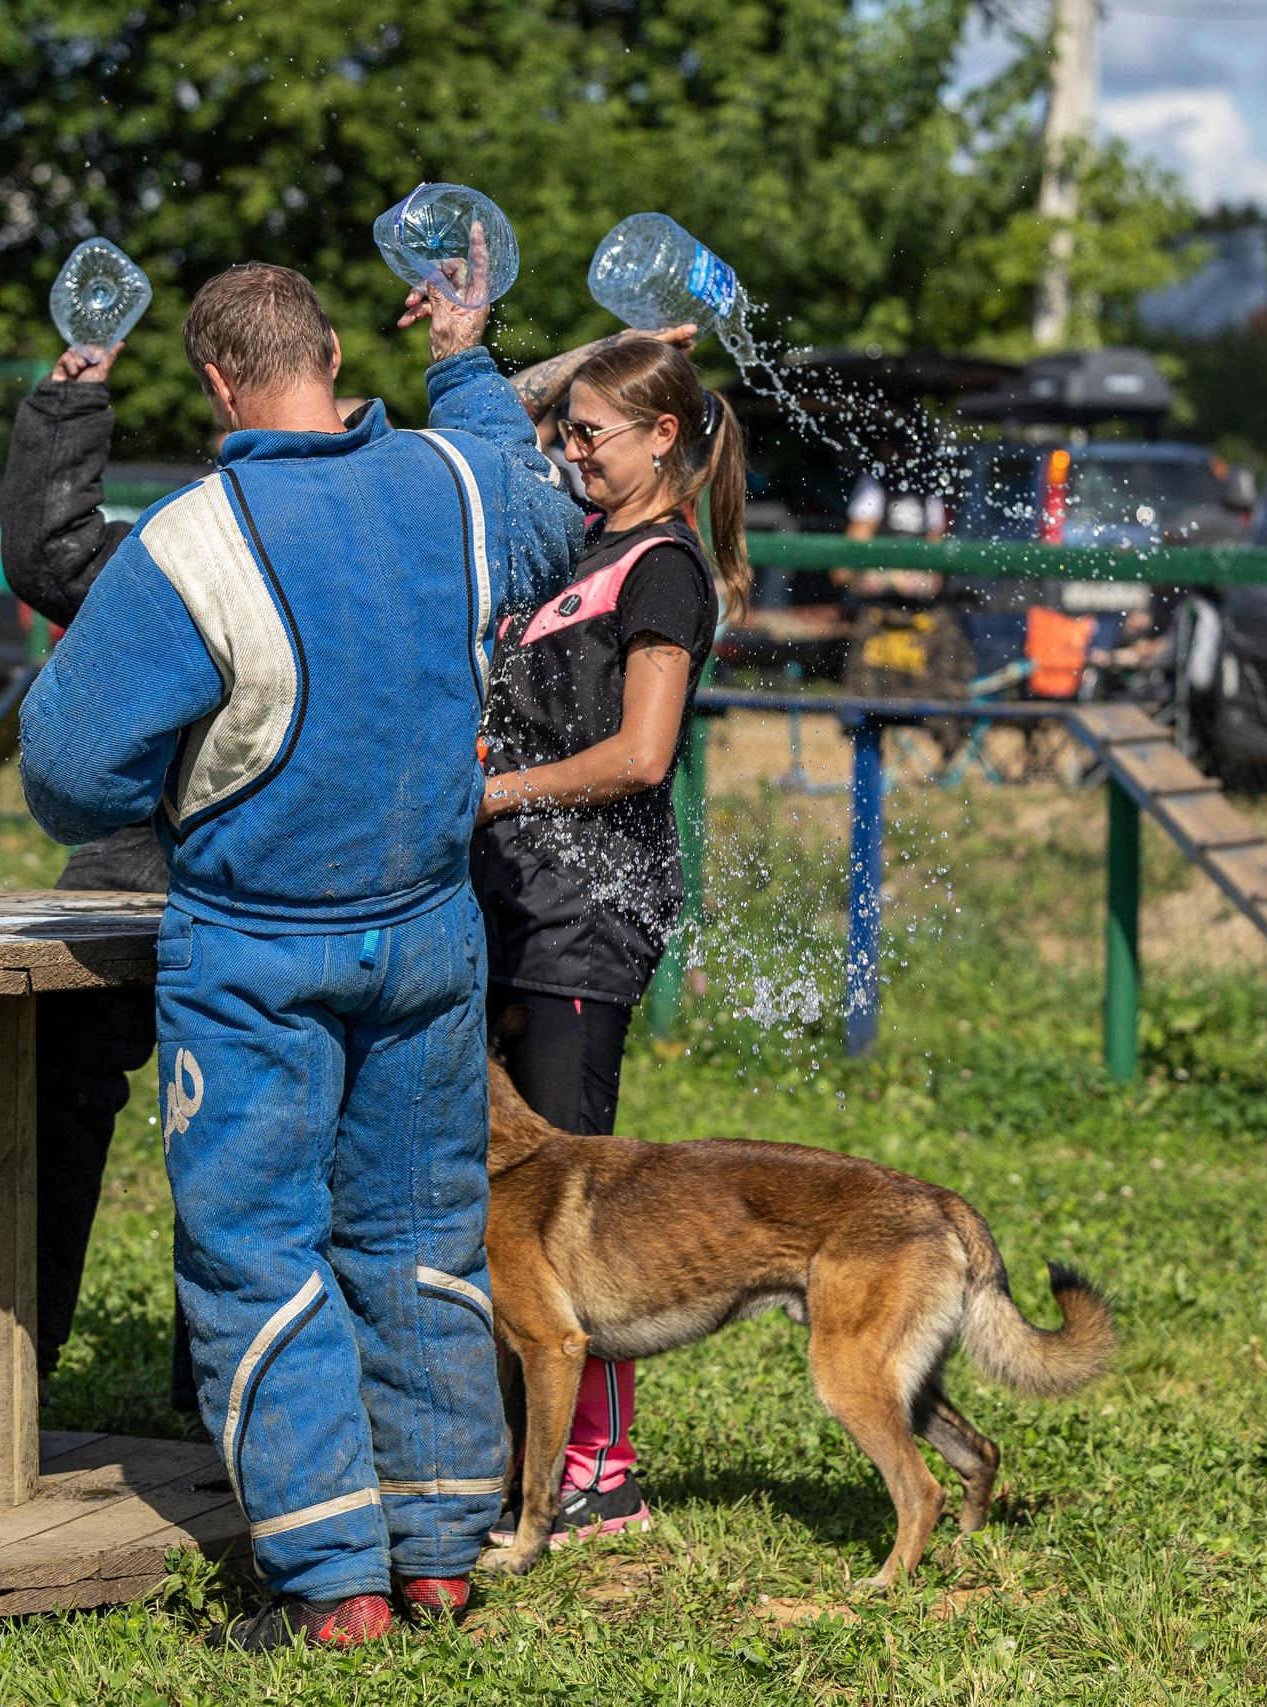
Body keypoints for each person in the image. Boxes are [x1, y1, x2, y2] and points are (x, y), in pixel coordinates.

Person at [19, 255, 582, 1648]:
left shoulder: (193, 537)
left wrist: (180, 764)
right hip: (435, 937)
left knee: (259, 1251)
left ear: (216, 379)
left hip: (258, 952)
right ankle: (443, 1545)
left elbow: (66, 773)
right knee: (417, 1233)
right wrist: (462, 354)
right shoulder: (458, 484)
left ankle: (334, 1583)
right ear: (334, 353)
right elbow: (539, 511)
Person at [469, 337, 751, 1551]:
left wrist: (494, 793)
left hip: (584, 931)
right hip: (513, 910)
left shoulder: (667, 569)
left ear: (664, 438)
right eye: (566, 429)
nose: (565, 448)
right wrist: (571, 355)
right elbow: (506, 424)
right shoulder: (576, 545)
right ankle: (506, 1451)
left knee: (571, 1223)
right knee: (498, 1220)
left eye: (589, 432)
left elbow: (642, 755)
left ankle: (600, 1473)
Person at [0, 338, 188, 1420]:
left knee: (237, 1122)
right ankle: (19, 1346)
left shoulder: (362, 518)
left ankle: (219, 1388)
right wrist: (69, 403)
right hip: (133, 842)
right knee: (61, 1074)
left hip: (264, 860)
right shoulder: (181, 543)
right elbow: (51, 554)